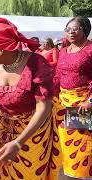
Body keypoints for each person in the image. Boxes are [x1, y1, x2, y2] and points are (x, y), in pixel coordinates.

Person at [0, 18, 59, 179]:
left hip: (34, 130)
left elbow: (43, 107)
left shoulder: (36, 63)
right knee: (2, 170)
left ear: (2, 48)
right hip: (4, 127)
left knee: (29, 173)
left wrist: (18, 142)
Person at [53, 16, 92, 180]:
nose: (70, 32)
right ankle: (71, 174)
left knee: (82, 144)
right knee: (66, 142)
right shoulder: (63, 51)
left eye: (75, 29)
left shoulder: (90, 50)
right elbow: (58, 75)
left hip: (82, 103)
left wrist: (90, 101)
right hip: (63, 103)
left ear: (84, 30)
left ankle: (83, 176)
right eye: (67, 30)